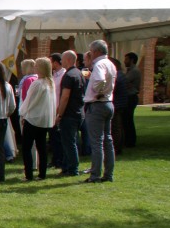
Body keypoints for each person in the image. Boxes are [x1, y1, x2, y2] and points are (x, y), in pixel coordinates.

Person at [82, 39, 117, 183]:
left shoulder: (99, 64)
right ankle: (108, 174)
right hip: (108, 103)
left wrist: (97, 91)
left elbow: (100, 80)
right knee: (107, 140)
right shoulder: (110, 64)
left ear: (96, 51)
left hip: (97, 104)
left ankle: (95, 174)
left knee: (97, 141)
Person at [18, 58, 56, 181]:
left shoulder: (38, 83)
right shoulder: (50, 83)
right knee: (41, 147)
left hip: (34, 118)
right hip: (44, 120)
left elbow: (29, 101)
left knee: (27, 147)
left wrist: (22, 113)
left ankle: (28, 174)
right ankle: (42, 174)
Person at [55, 50, 85, 177]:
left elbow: (65, 97)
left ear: (67, 60)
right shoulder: (79, 73)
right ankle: (67, 167)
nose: (61, 62)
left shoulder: (68, 76)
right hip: (79, 112)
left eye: (62, 59)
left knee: (69, 142)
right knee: (71, 141)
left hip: (69, 113)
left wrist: (59, 114)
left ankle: (73, 168)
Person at [48, 53, 66, 170]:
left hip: (59, 108)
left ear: (55, 62)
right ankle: (55, 159)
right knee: (53, 136)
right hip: (52, 108)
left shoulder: (64, 75)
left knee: (59, 137)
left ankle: (60, 159)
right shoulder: (53, 75)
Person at [122, 52, 141, 147]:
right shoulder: (129, 70)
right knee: (126, 119)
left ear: (132, 60)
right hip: (129, 96)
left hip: (131, 97)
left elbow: (124, 81)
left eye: (126, 59)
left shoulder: (134, 71)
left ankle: (130, 141)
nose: (124, 61)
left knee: (128, 119)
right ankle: (128, 140)